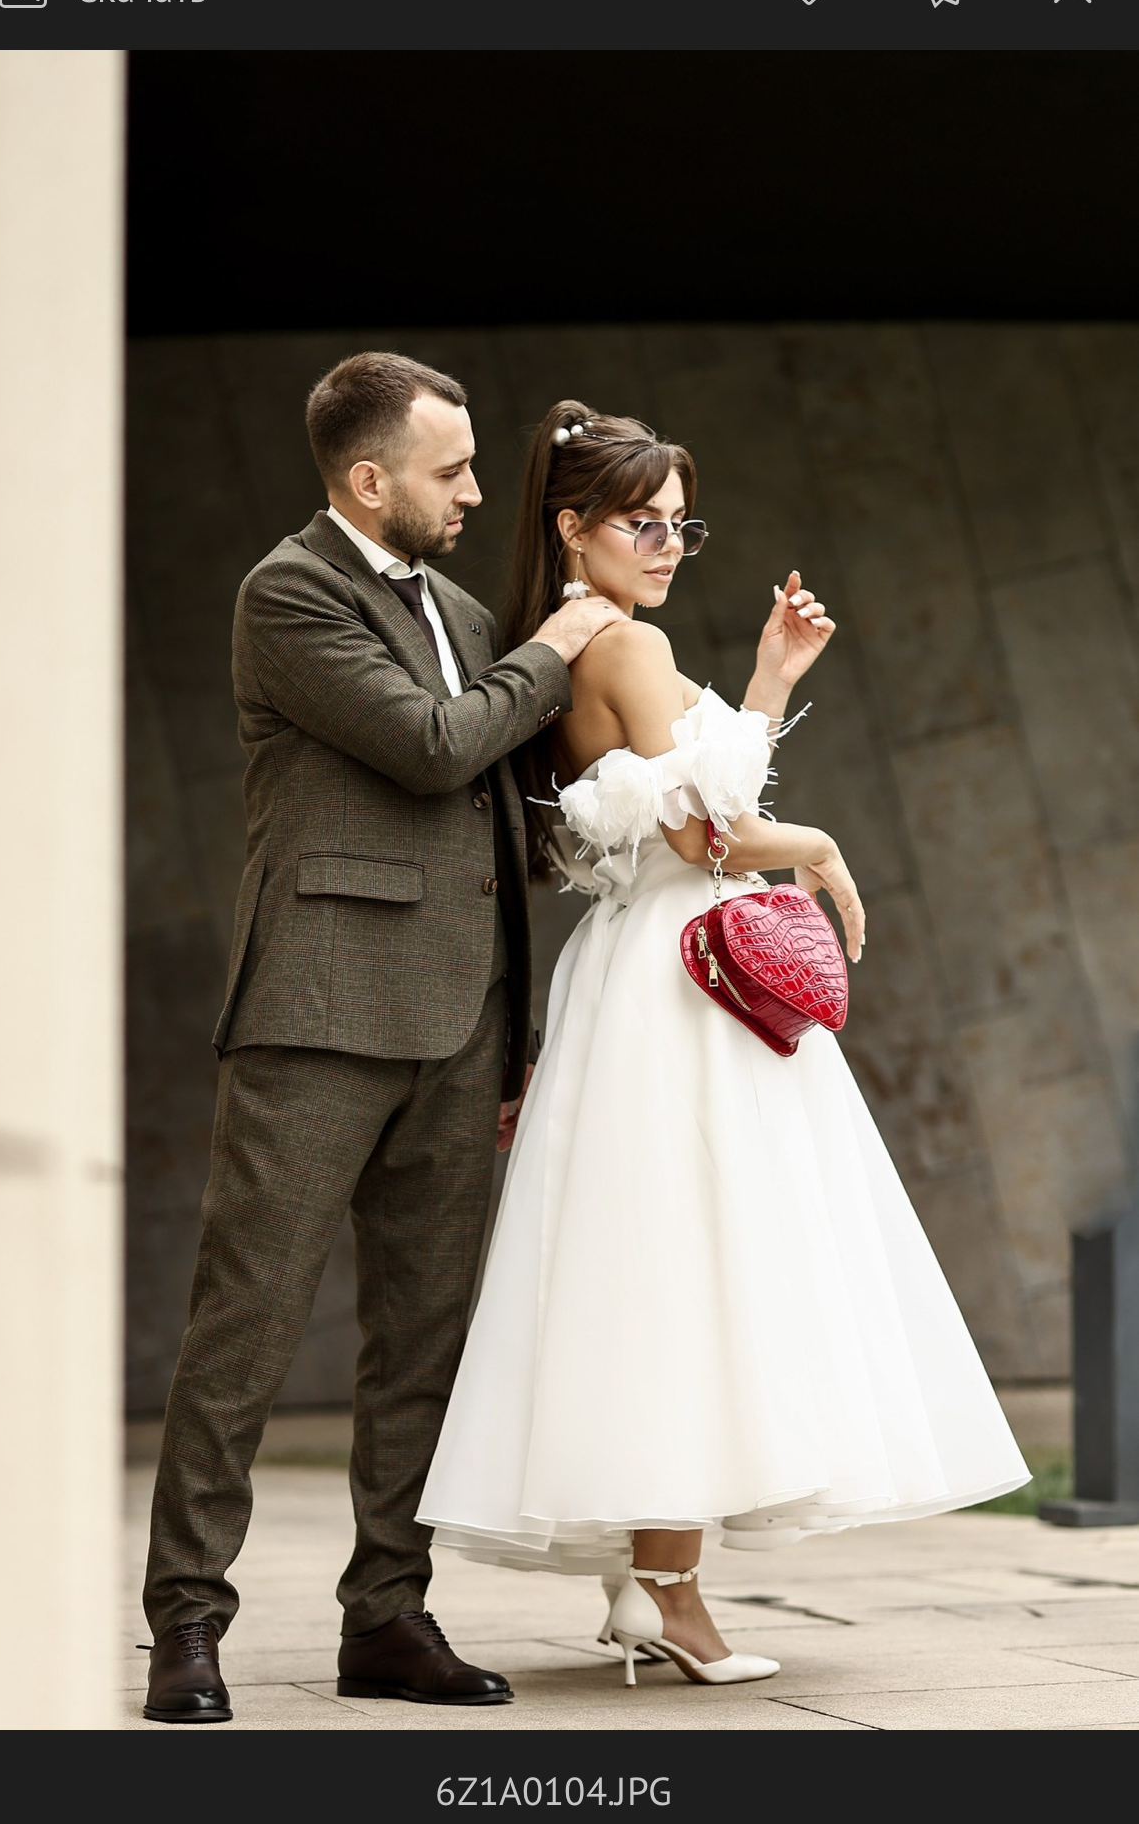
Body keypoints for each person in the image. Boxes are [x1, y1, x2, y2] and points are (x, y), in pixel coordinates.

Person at [417, 401, 1029, 1689]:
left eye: (683, 522)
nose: (670, 543)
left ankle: (658, 1584)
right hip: (682, 981)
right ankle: (670, 1591)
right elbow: (710, 837)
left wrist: (767, 680)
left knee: (665, 1269)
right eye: (643, 521)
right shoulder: (621, 644)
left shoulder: (584, 645)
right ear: (574, 527)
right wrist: (819, 850)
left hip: (648, 979)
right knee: (697, 1267)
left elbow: (686, 809)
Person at [140, 353, 620, 1720]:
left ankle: (388, 1619)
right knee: (243, 1330)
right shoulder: (288, 592)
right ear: (367, 481)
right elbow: (427, 744)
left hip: (463, 1024)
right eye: (449, 469)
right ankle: (186, 1624)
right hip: (316, 1013)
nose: (475, 490)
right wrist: (557, 648)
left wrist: (523, 1036)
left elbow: (505, 812)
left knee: (424, 1341)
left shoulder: (467, 610)